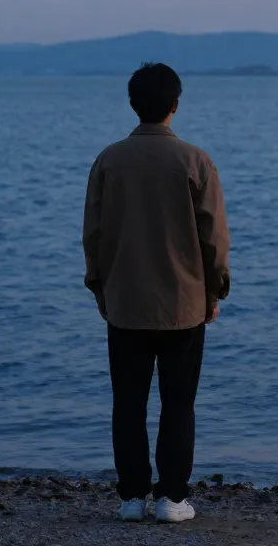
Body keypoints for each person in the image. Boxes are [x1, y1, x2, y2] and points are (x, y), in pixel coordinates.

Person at [82, 62, 231, 524]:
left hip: (125, 304)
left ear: (133, 104)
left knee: (127, 402)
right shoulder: (195, 161)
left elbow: (94, 234)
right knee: (178, 402)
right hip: (185, 304)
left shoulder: (109, 160)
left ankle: (130, 498)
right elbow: (214, 239)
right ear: (175, 105)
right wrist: (216, 290)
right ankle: (171, 498)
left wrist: (99, 287)